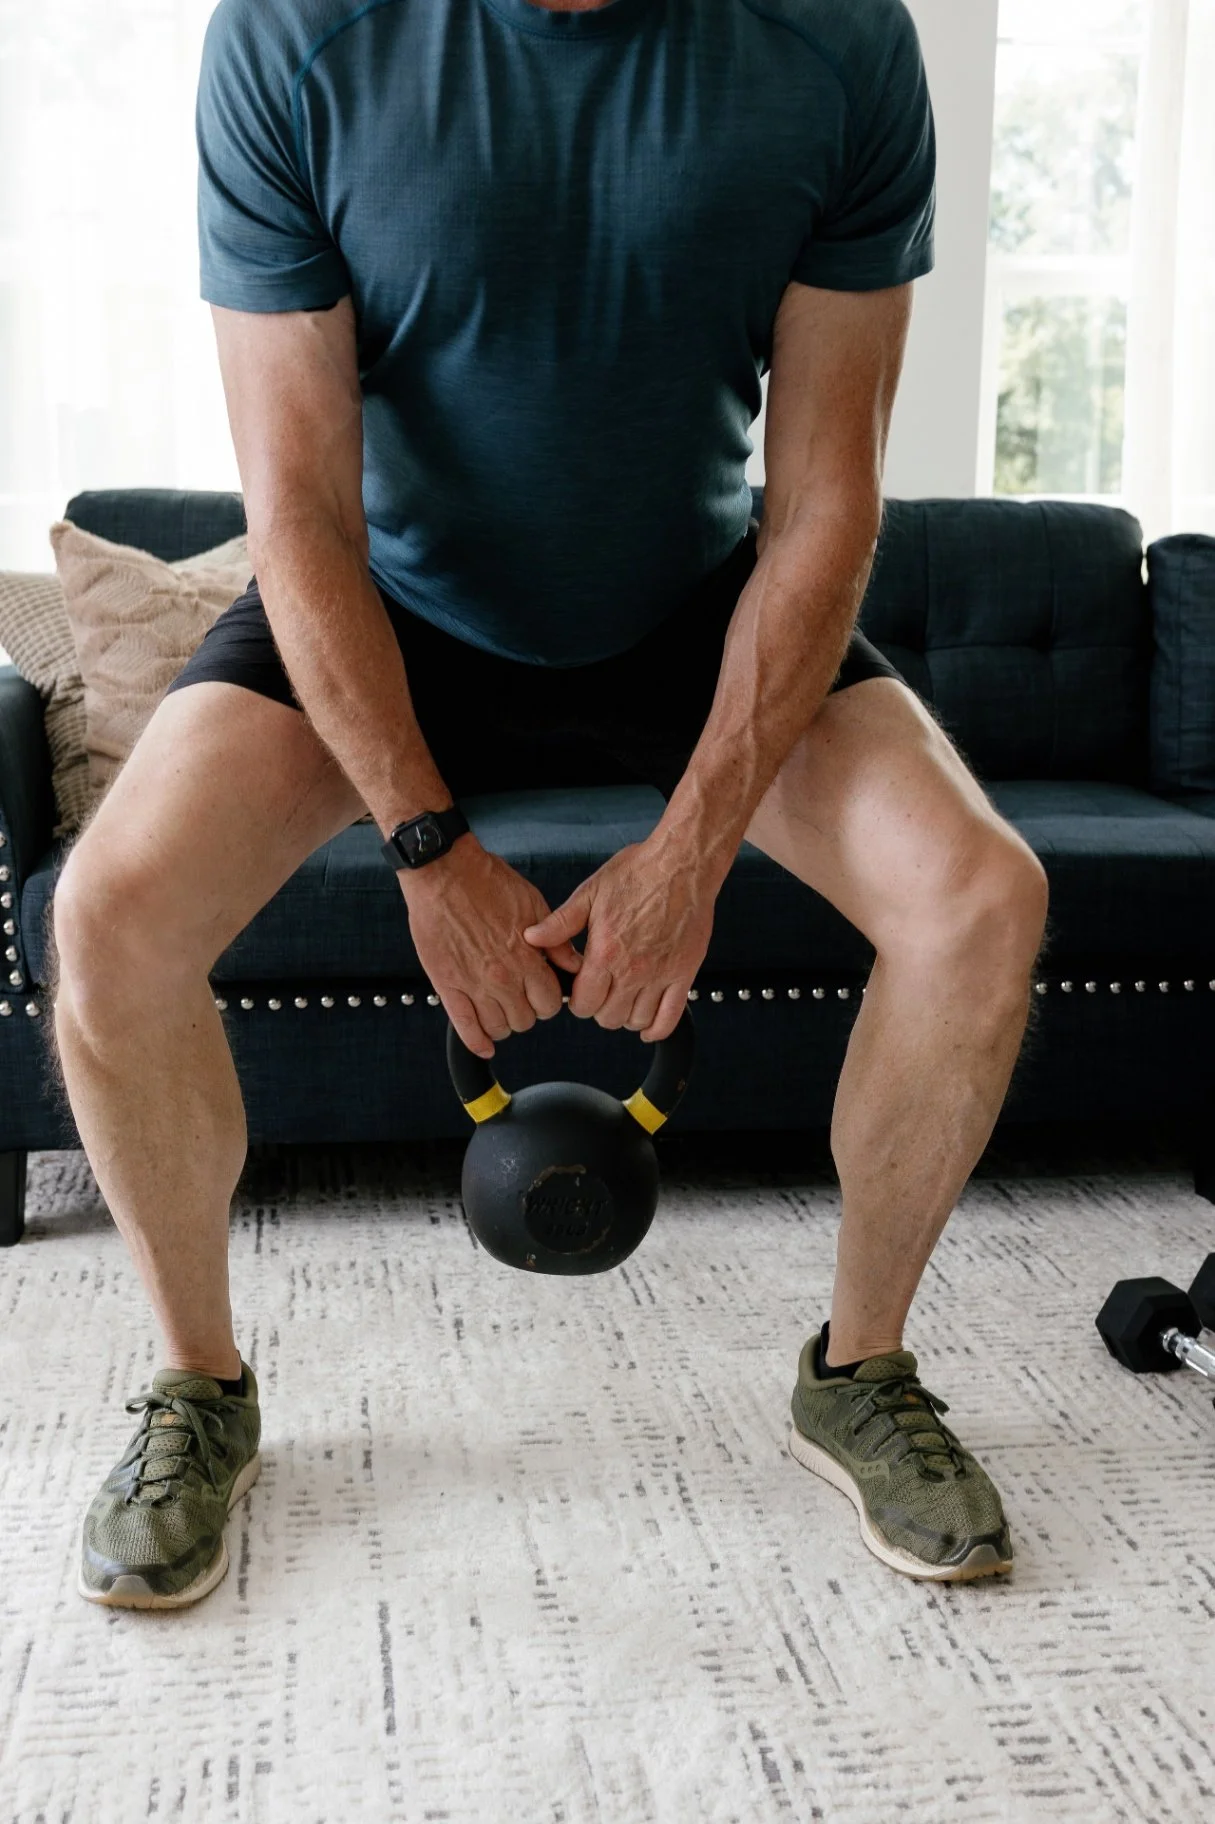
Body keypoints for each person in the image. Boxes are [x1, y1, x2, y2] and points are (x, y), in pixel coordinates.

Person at [49, 0, 1048, 1610]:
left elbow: (824, 493)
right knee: (107, 919)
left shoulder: (834, 39)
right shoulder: (298, 38)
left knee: (979, 899)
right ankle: (198, 1388)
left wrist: (699, 842)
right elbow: (297, 508)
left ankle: (857, 1369)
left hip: (700, 617)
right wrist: (426, 848)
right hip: (388, 612)